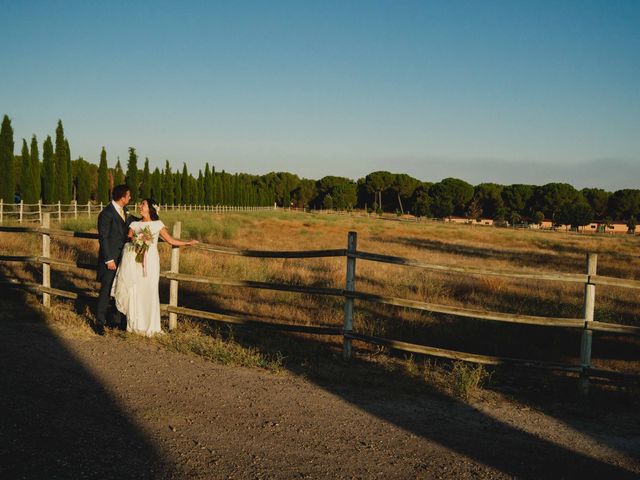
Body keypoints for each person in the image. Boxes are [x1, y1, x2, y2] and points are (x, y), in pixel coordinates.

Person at [111, 198, 198, 336]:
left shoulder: (158, 224)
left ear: (150, 207)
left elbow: (170, 240)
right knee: (136, 290)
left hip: (150, 262)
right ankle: (134, 325)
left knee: (150, 290)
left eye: (143, 204)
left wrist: (187, 243)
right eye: (140, 204)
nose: (140, 206)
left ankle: (150, 325)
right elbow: (128, 239)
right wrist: (136, 240)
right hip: (135, 261)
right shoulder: (134, 224)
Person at [95, 184, 134, 335]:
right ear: (122, 197)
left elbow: (132, 222)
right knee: (106, 291)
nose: (130, 198)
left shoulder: (124, 211)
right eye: (129, 195)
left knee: (119, 288)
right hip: (110, 260)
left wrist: (149, 218)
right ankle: (99, 323)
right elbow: (103, 238)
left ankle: (116, 321)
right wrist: (108, 259)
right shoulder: (106, 213)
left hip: (123, 258)